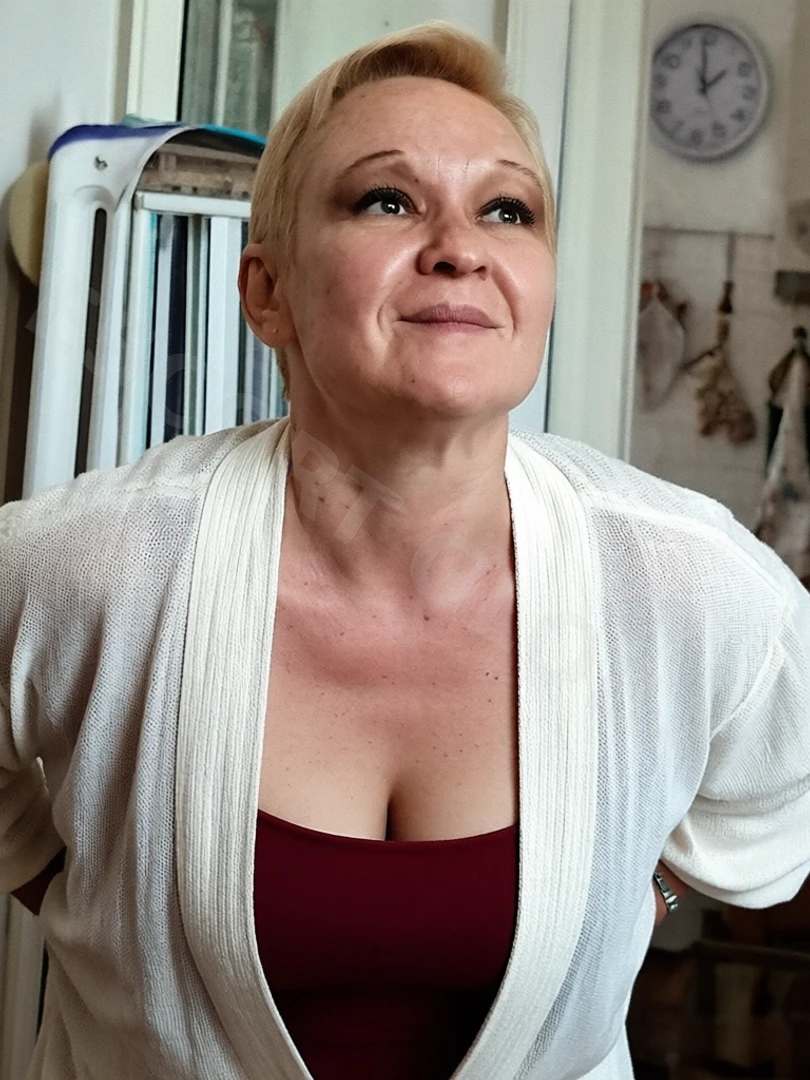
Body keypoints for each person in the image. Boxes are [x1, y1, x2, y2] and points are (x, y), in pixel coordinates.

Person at [1, 21, 809, 1080]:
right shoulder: (87, 569)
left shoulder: (693, 584)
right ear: (267, 292)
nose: (460, 247)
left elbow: (764, 814)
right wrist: (104, 890)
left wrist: (622, 895)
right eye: (387, 199)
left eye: (507, 209)